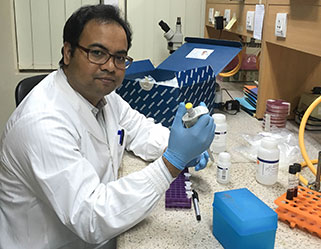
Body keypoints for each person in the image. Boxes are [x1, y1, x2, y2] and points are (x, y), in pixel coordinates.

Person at [0, 4, 215, 249]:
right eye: (97, 53)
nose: (110, 66)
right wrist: (172, 163)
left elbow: (138, 129)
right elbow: (91, 217)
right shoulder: (42, 123)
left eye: (120, 57)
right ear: (68, 52)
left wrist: (181, 145)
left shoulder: (103, 95)